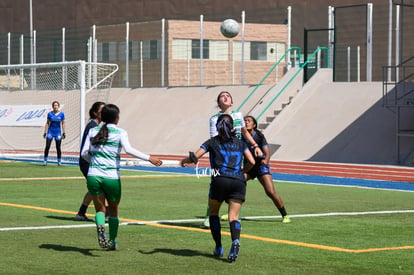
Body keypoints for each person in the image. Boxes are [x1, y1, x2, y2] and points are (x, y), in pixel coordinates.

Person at [81, 103, 162, 250]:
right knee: (114, 210)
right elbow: (129, 150)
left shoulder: (93, 130)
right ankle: (112, 241)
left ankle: (100, 226)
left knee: (99, 210)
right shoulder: (120, 132)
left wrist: (93, 163)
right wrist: (149, 158)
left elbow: (84, 153)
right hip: (111, 176)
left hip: (93, 175)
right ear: (116, 118)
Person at [182, 114, 255, 262]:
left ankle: (219, 246)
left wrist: (184, 160)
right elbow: (252, 161)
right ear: (233, 127)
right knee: (233, 217)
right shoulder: (240, 143)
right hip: (238, 181)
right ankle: (235, 240)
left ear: (217, 127)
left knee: (214, 213)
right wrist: (242, 172)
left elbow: (195, 157)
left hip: (219, 179)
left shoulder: (212, 142)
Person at [203, 91, 262, 227]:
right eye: (222, 96)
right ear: (219, 103)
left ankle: (235, 215)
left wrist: (255, 145)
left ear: (231, 102)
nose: (225, 97)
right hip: (220, 155)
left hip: (236, 153)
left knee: (239, 179)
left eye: (228, 96)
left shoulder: (238, 115)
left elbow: (244, 132)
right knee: (216, 183)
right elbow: (213, 138)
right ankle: (210, 215)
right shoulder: (214, 118)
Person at [242, 115, 290, 223]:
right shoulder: (240, 136)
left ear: (254, 125)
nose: (246, 122)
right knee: (236, 184)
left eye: (248, 121)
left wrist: (265, 161)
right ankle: (232, 212)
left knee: (270, 192)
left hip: (260, 167)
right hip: (249, 167)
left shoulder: (259, 136)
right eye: (244, 121)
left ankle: (285, 215)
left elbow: (267, 153)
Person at [74, 101, 105, 222]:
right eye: (102, 111)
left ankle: (81, 213)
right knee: (101, 188)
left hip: (89, 161)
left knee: (95, 188)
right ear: (95, 113)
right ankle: (106, 214)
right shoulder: (93, 126)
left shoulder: (95, 126)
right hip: (87, 162)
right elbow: (88, 149)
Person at [43, 100, 66, 166]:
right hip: (50, 132)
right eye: (54, 105)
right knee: (47, 146)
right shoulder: (50, 114)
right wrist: (45, 132)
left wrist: (64, 132)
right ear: (53, 106)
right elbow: (47, 123)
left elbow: (63, 123)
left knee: (58, 147)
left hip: (58, 133)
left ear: (58, 106)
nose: (55, 106)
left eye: (56, 105)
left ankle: (59, 161)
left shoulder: (62, 114)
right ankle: (45, 161)